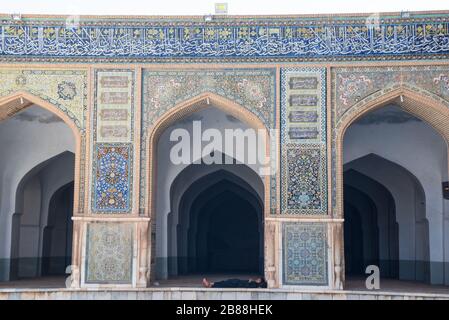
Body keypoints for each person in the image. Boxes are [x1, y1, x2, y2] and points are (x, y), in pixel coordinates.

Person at [202, 277, 267, 288]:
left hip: (237, 284)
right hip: (237, 282)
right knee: (224, 282)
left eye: (259, 279)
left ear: (260, 281)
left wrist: (250, 281)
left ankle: (210, 285)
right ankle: (210, 284)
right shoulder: (255, 283)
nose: (257, 279)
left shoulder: (255, 285)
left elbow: (247, 286)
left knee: (224, 284)